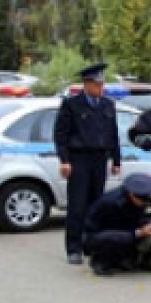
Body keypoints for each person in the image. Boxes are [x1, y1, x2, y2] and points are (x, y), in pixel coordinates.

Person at [54, 62, 121, 265]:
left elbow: (113, 134)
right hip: (79, 159)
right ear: (87, 84)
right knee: (77, 205)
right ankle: (73, 248)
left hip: (99, 159)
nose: (101, 88)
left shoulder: (107, 105)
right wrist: (64, 160)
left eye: (103, 85)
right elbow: (61, 134)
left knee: (96, 205)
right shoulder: (72, 104)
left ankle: (90, 244)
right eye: (97, 85)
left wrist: (116, 159)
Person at [83, 173, 151, 276]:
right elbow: (118, 229)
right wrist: (139, 232)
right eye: (143, 201)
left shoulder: (141, 195)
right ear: (132, 195)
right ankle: (100, 261)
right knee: (121, 237)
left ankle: (126, 259)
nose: (145, 204)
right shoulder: (112, 203)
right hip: (97, 236)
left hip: (124, 230)